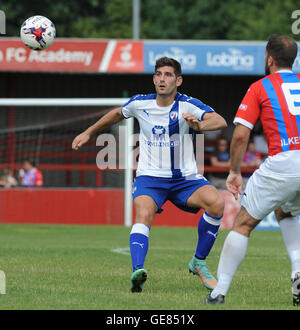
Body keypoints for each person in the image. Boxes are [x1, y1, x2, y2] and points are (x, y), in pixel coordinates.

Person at [72, 57, 227, 293]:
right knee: (143, 213)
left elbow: (219, 120)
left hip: (185, 179)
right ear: (154, 78)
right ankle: (138, 271)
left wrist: (199, 126)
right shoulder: (139, 103)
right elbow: (116, 114)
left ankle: (198, 261)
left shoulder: (188, 105)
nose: (162, 79)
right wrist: (88, 132)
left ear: (178, 80)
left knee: (216, 204)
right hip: (150, 178)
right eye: (158, 74)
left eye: (167, 75)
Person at [202, 34, 300, 306]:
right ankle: (298, 270)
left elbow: (240, 136)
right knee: (285, 210)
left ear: (269, 59)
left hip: (283, 161)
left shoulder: (260, 87)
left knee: (243, 224)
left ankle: (218, 292)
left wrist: (234, 171)